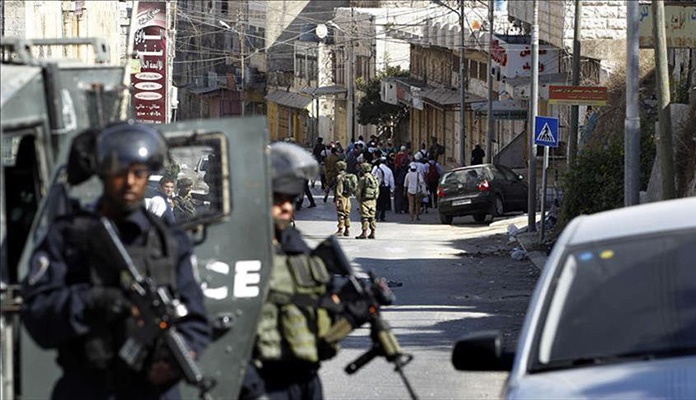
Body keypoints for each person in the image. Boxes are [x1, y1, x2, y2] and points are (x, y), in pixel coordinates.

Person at [20, 121, 211, 400]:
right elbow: (38, 316)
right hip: (87, 388)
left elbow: (195, 319)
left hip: (154, 391)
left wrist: (174, 363)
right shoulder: (68, 235)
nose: (130, 181)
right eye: (120, 172)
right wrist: (95, 300)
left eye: (139, 172)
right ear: (103, 174)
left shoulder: (168, 239)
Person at [240, 142, 369, 400]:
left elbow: (316, 322)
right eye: (277, 199)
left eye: (290, 199)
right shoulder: (239, 253)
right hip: (261, 382)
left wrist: (351, 312)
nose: (286, 207)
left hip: (304, 378)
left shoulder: (296, 248)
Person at [355, 162, 379, 239]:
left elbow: (359, 191)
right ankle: (373, 232)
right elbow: (377, 190)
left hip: (365, 200)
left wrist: (359, 200)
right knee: (372, 216)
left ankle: (364, 233)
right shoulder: (374, 178)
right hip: (373, 200)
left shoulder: (363, 179)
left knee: (365, 217)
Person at [371, 158, 394, 222]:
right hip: (386, 188)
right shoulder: (389, 170)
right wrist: (392, 189)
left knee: (377, 201)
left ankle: (376, 215)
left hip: (377, 187)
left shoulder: (376, 168)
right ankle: (382, 216)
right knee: (384, 203)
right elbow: (391, 180)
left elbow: (372, 176)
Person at [333, 161, 352, 237]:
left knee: (341, 213)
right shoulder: (347, 175)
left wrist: (338, 199)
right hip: (348, 197)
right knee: (347, 214)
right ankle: (347, 230)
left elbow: (339, 189)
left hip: (342, 197)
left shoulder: (339, 177)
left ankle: (340, 229)